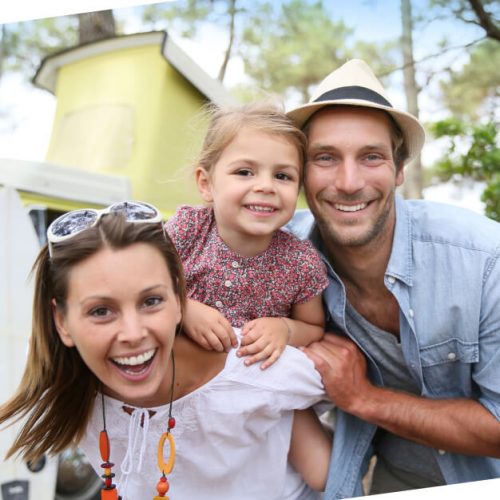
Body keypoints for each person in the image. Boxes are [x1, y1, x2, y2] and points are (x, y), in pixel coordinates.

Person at [0, 201, 331, 500]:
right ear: (63, 323)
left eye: (151, 301)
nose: (132, 334)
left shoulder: (252, 365)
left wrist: (288, 331)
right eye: (101, 311)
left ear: (179, 302)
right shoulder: (60, 378)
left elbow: (345, 379)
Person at [285, 59, 500, 498]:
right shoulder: (280, 257)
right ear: (300, 173)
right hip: (392, 479)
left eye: (372, 157)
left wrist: (362, 397)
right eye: (325, 158)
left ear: (399, 171)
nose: (348, 182)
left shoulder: (484, 261)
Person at [165, 101, 329, 369]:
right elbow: (140, 289)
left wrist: (285, 329)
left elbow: (313, 327)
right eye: (244, 172)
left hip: (248, 387)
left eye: (282, 176)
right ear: (206, 184)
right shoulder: (188, 229)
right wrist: (183, 308)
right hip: (177, 377)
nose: (266, 186)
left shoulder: (300, 261)